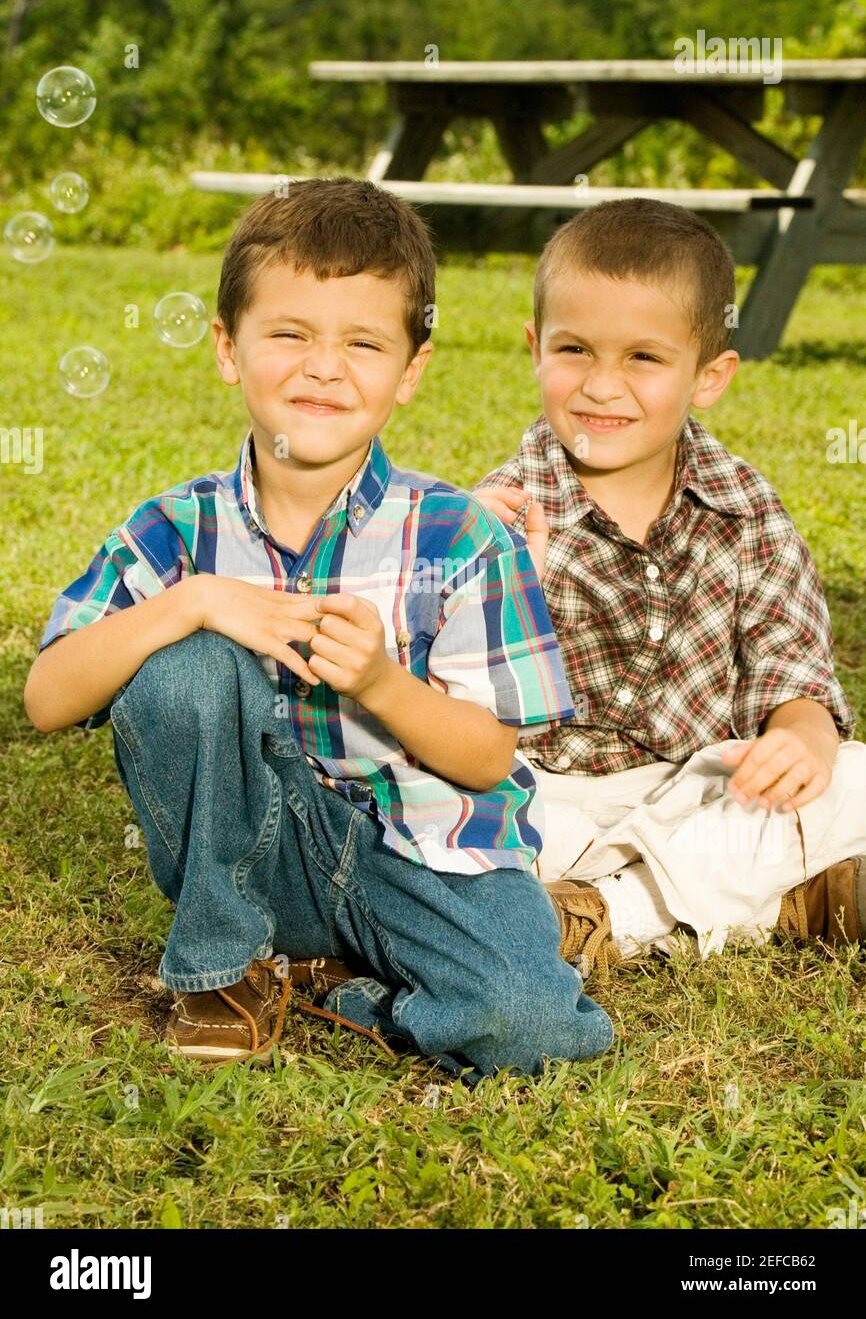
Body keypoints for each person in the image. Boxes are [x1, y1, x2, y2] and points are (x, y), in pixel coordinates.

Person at [24, 178, 613, 1080]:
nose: (322, 367)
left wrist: (380, 681)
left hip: (424, 858)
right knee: (183, 664)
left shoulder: (459, 535)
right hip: (255, 868)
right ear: (229, 348)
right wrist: (189, 603)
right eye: (289, 333)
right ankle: (228, 971)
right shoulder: (175, 531)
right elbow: (47, 698)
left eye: (363, 342)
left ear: (409, 371)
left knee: (529, 1026)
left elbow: (489, 758)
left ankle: (341, 988)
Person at [473, 198, 866, 976]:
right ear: (535, 350)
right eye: (574, 350)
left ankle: (594, 917)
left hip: (695, 793)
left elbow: (791, 665)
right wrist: (470, 580)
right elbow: (445, 710)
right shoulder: (495, 515)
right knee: (414, 821)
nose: (601, 386)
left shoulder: (744, 506)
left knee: (852, 779)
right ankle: (777, 902)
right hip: (538, 798)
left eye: (643, 359)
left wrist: (803, 736)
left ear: (709, 376)